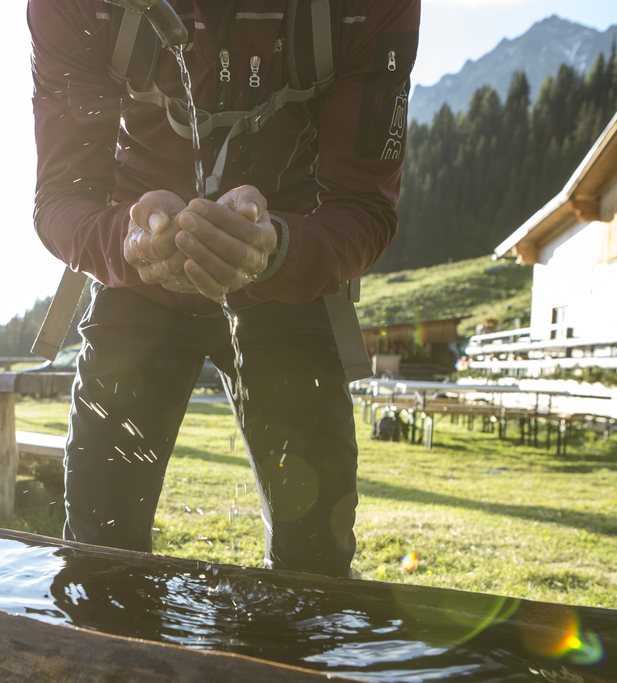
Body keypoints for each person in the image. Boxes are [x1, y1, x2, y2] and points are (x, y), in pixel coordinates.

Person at [29, 0, 419, 577]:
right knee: (98, 553)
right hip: (138, 277)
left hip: (288, 276)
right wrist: (129, 240)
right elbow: (62, 197)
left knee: (314, 563)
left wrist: (278, 247)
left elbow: (363, 205)